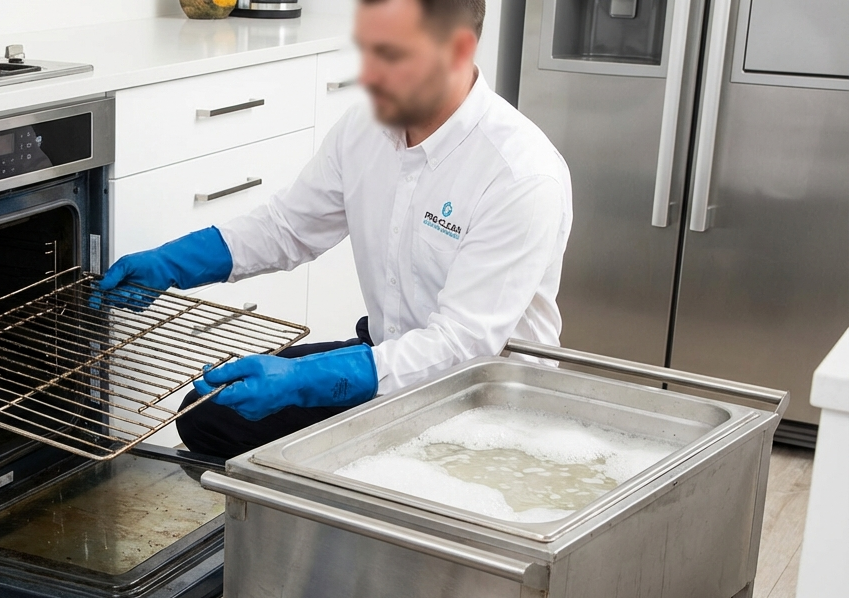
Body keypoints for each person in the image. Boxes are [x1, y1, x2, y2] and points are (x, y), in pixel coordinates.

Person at [98, 0, 572, 458]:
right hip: (390, 354)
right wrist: (171, 264)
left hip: (485, 402)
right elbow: (288, 227)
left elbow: (459, 348)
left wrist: (304, 381)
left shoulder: (520, 175)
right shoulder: (367, 127)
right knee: (209, 414)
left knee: (374, 475)